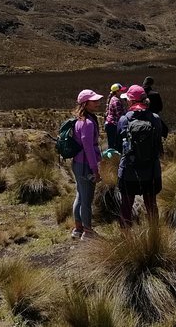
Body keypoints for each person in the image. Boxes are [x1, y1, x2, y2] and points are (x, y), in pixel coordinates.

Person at [117, 84, 164, 227]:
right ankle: (154, 234)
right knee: (151, 204)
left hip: (129, 171)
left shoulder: (124, 120)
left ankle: (126, 238)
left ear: (131, 101)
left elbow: (119, 145)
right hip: (151, 171)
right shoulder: (155, 118)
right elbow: (158, 143)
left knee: (126, 205)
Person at [71, 89, 103, 240]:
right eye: (94, 101)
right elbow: (88, 148)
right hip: (86, 165)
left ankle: (78, 229)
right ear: (85, 103)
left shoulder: (79, 120)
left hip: (77, 164)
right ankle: (88, 232)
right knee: (87, 199)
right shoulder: (88, 123)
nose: (97, 103)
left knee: (80, 194)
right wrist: (95, 169)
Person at [105, 82, 127, 152]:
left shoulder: (113, 99)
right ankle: (113, 161)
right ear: (117, 91)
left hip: (111, 125)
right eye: (121, 90)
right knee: (114, 147)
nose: (122, 92)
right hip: (113, 126)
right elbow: (120, 115)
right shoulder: (116, 101)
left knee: (112, 145)